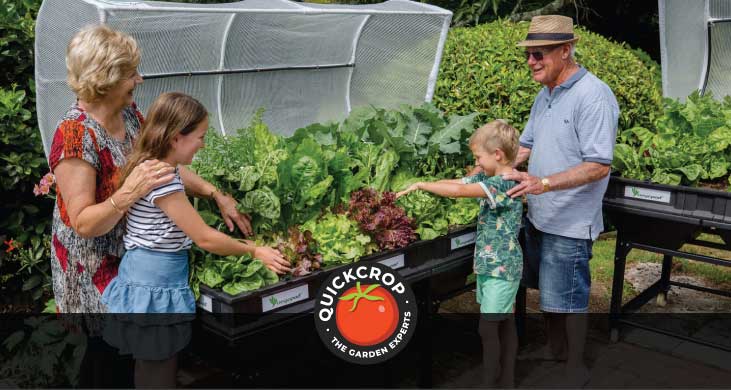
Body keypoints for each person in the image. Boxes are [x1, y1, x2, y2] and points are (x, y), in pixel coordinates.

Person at [49, 24, 265, 315]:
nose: (139, 79)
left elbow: (160, 168)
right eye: (130, 74)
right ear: (105, 79)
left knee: (141, 350)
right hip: (92, 270)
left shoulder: (128, 114)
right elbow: (84, 224)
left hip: (135, 263)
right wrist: (128, 193)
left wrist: (214, 193)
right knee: (107, 354)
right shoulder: (75, 136)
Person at [99, 92, 288, 387]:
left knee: (153, 363)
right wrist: (255, 250)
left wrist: (217, 195)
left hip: (147, 276)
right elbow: (204, 238)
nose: (203, 143)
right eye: (200, 136)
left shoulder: (155, 165)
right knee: (157, 369)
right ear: (176, 138)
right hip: (154, 282)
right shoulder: (162, 180)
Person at [502, 15, 619, 386]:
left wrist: (545, 183)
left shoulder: (594, 96)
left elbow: (599, 165)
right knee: (549, 295)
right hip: (539, 215)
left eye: (539, 54)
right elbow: (526, 145)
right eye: (528, 55)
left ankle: (574, 368)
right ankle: (558, 353)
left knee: (569, 298)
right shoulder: (546, 93)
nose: (531, 62)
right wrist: (495, 168)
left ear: (566, 51)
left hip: (570, 220)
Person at [396, 120, 523, 387]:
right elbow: (455, 181)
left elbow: (459, 191)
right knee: (505, 322)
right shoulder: (488, 177)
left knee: (487, 328)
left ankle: (492, 382)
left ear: (497, 155)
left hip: (502, 268)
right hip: (492, 267)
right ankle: (508, 378)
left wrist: (421, 185)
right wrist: (427, 183)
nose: (475, 163)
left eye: (478, 157)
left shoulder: (504, 183)